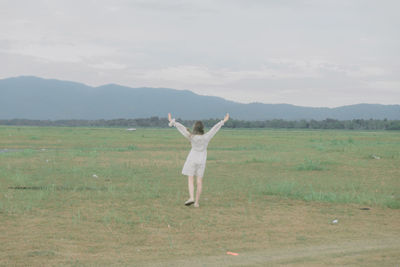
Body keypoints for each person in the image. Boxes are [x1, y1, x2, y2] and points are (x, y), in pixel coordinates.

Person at [168, 113, 229, 208]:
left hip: (192, 159)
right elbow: (214, 129)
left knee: (190, 179)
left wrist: (173, 122)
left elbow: (183, 129)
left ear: (195, 128)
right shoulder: (206, 137)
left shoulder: (191, 136)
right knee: (199, 181)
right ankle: (196, 202)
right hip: (202, 161)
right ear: (202, 129)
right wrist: (223, 121)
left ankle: (191, 197)